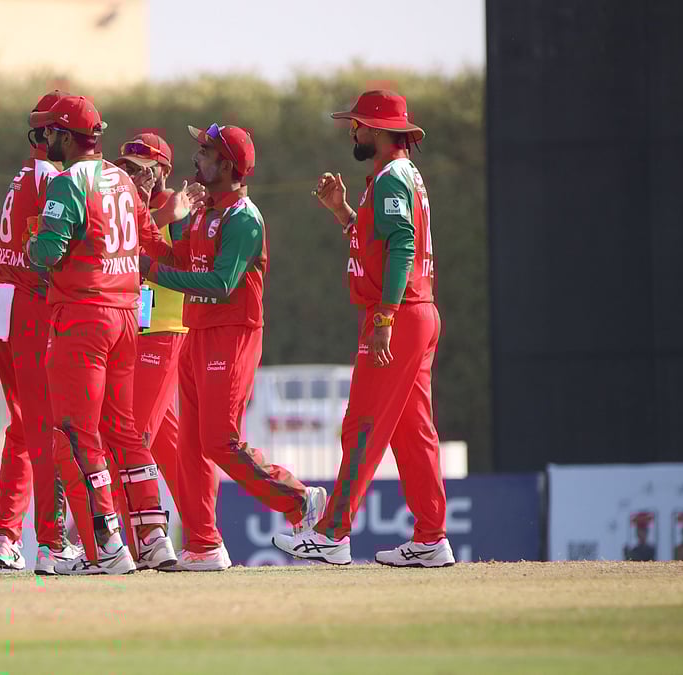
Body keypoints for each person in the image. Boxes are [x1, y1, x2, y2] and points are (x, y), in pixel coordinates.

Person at [139, 123, 328, 572]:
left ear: (226, 166)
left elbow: (222, 283)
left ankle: (301, 500)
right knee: (189, 447)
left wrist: (151, 272)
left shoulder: (244, 218)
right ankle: (203, 545)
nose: (197, 159)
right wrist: (143, 234)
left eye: (205, 153)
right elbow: (179, 258)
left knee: (219, 442)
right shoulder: (205, 211)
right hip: (197, 332)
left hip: (233, 333)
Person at [274, 89, 451, 568]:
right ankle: (431, 537)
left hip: (399, 314)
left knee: (362, 425)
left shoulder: (391, 178)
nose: (351, 132)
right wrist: (343, 212)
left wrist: (385, 317)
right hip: (416, 312)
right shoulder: (399, 175)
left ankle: (332, 533)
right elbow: (381, 242)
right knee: (412, 431)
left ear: (376, 129)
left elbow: (402, 247)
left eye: (356, 125)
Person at [26, 95, 178, 574]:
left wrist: (32, 244)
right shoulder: (120, 179)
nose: (46, 139)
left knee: (75, 432)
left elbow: (48, 252)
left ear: (66, 136)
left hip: (82, 318)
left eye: (51, 131)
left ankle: (107, 543)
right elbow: (151, 239)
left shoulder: (68, 182)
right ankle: (153, 537)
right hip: (126, 317)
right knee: (123, 430)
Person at [0, 90, 81, 575]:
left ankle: (7, 536)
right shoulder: (51, 178)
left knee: (23, 428)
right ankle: (51, 541)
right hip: (29, 308)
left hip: (4, 306)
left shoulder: (24, 173)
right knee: (45, 431)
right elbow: (45, 256)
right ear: (51, 134)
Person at [109, 132, 191, 555]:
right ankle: (206, 535)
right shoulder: (129, 204)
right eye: (126, 167)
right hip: (133, 332)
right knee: (170, 450)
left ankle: (143, 540)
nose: (132, 175)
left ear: (163, 172)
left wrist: (162, 216)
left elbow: (180, 263)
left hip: (163, 331)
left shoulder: (177, 206)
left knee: (131, 438)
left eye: (142, 169)